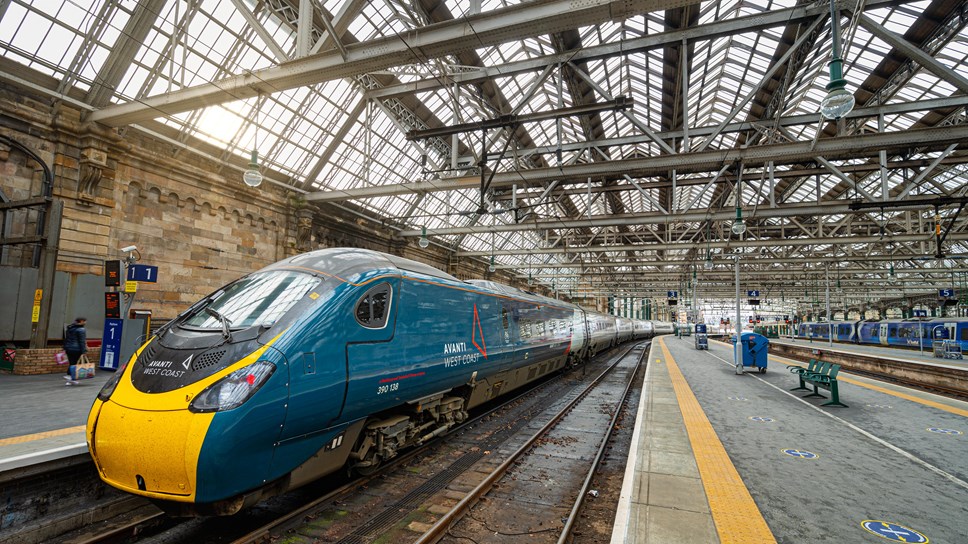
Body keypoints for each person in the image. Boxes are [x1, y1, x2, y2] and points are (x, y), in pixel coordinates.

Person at [64, 317, 87, 381]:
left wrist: (65, 347)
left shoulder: (70, 328)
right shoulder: (81, 329)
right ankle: (71, 376)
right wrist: (84, 351)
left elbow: (67, 339)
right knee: (76, 364)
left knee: (72, 363)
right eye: (84, 321)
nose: (85, 322)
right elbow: (82, 341)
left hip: (69, 348)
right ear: (81, 321)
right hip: (77, 349)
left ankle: (70, 377)